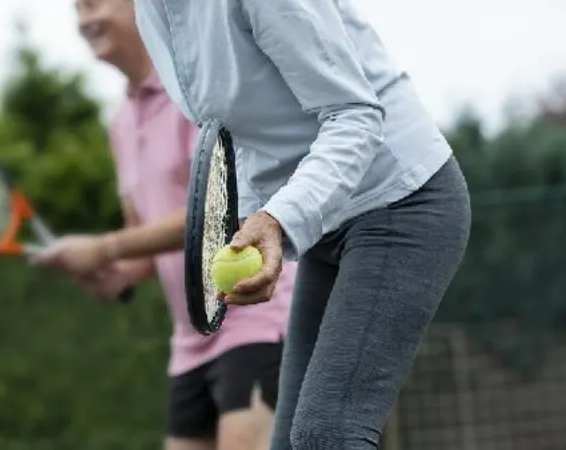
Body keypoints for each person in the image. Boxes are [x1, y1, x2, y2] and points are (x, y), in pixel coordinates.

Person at [38, 0, 472, 449]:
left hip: (400, 199)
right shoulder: (155, 10)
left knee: (326, 436)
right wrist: (248, 221)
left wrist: (276, 219)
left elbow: (355, 116)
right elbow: (236, 138)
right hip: (326, 228)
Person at [69, 1, 297, 449]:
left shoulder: (196, 91)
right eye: (77, 9)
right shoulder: (118, 124)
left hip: (254, 321)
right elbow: (141, 235)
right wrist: (115, 274)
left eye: (94, 3)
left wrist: (105, 248)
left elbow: (224, 207)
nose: (84, 21)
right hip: (188, 343)